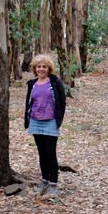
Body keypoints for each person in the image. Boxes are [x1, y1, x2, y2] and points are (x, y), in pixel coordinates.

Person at [24, 53, 66, 196]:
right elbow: (29, 103)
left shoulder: (55, 82)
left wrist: (58, 120)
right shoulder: (32, 84)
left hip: (50, 121)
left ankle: (53, 184)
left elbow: (62, 102)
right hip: (35, 121)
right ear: (35, 69)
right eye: (39, 67)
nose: (41, 69)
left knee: (50, 152)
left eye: (44, 67)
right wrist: (27, 119)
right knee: (41, 153)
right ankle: (44, 181)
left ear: (49, 69)